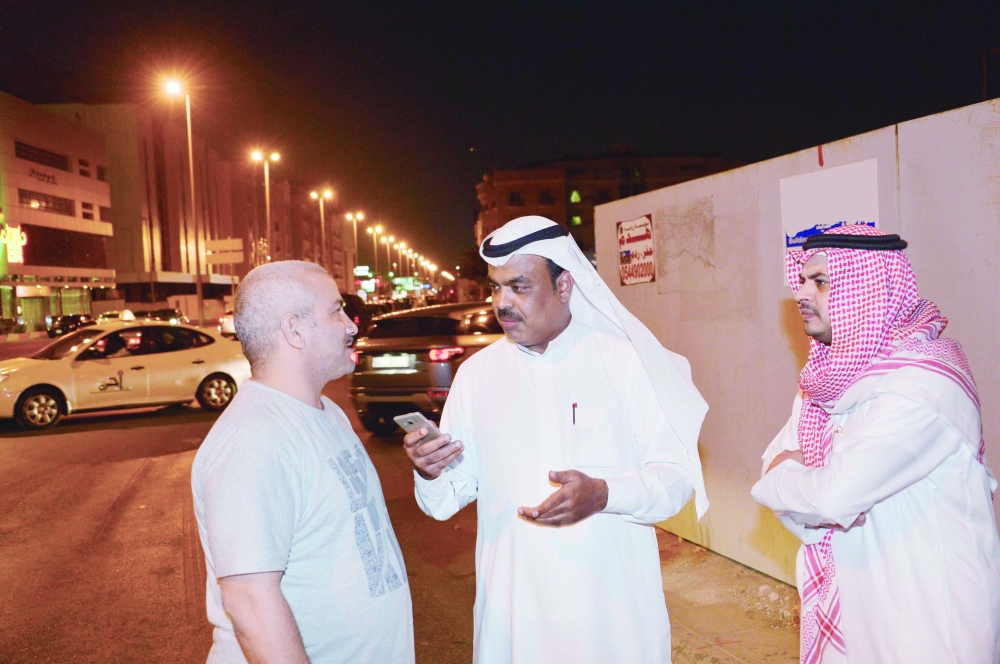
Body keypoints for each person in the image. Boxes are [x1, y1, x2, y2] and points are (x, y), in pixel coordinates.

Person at [403, 216, 709, 663]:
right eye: (495, 288)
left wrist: (603, 494)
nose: (502, 303)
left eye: (519, 287)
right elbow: (445, 501)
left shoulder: (627, 363)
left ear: (564, 286)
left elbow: (677, 479)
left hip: (611, 616)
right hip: (515, 617)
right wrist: (430, 471)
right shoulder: (476, 375)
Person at [751, 225, 1000, 664]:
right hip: (857, 606)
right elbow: (776, 465)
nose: (802, 294)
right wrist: (803, 485)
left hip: (929, 622)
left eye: (821, 282)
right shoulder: (824, 385)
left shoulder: (924, 387)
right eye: (802, 281)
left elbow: (832, 495)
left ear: (868, 292)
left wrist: (793, 480)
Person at [192, 261, 413, 664]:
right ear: (294, 330)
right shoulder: (254, 439)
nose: (351, 325)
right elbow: (249, 602)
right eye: (336, 311)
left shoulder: (327, 413)